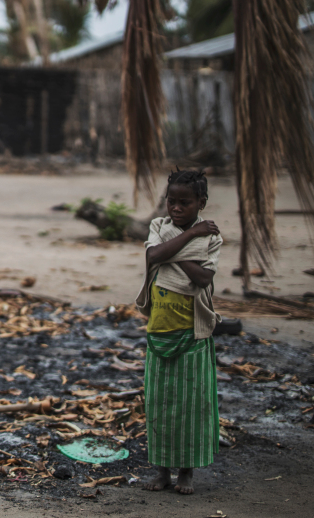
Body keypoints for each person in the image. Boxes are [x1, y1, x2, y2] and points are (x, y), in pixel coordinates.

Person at [134, 169, 222, 495]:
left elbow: (203, 278)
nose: (176, 208)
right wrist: (190, 236)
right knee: (159, 407)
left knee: (190, 408)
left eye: (185, 203)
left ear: (201, 202)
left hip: (192, 335)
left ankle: (186, 473)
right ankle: (162, 472)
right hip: (159, 331)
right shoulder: (160, 226)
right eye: (171, 201)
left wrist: (171, 252)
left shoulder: (211, 238)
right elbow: (153, 255)